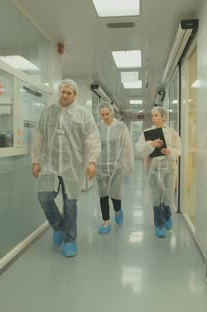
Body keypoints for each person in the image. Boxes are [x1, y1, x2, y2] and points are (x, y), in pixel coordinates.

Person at [31, 79, 100, 257]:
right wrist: (35, 160)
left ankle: (70, 240)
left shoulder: (83, 114)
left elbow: (92, 138)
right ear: (59, 92)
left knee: (70, 204)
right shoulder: (48, 112)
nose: (65, 95)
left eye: (69, 92)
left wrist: (92, 161)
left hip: (73, 165)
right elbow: (39, 136)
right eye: (63, 91)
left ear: (75, 95)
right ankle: (59, 227)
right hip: (50, 164)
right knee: (44, 197)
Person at [135, 106, 182, 238]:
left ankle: (167, 215)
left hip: (170, 169)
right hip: (154, 169)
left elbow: (179, 150)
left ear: (164, 117)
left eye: (156, 115)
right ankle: (158, 224)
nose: (154, 118)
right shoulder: (147, 133)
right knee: (156, 197)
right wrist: (150, 145)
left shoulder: (173, 133)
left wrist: (170, 151)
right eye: (153, 116)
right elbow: (138, 149)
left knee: (168, 196)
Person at [96, 102, 134, 234]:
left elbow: (127, 146)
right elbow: (93, 146)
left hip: (117, 167)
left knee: (115, 195)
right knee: (103, 195)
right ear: (99, 115)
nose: (105, 117)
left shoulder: (120, 126)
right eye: (102, 115)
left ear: (112, 112)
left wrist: (128, 165)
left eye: (107, 114)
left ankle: (118, 210)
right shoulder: (98, 127)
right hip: (101, 167)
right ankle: (106, 222)